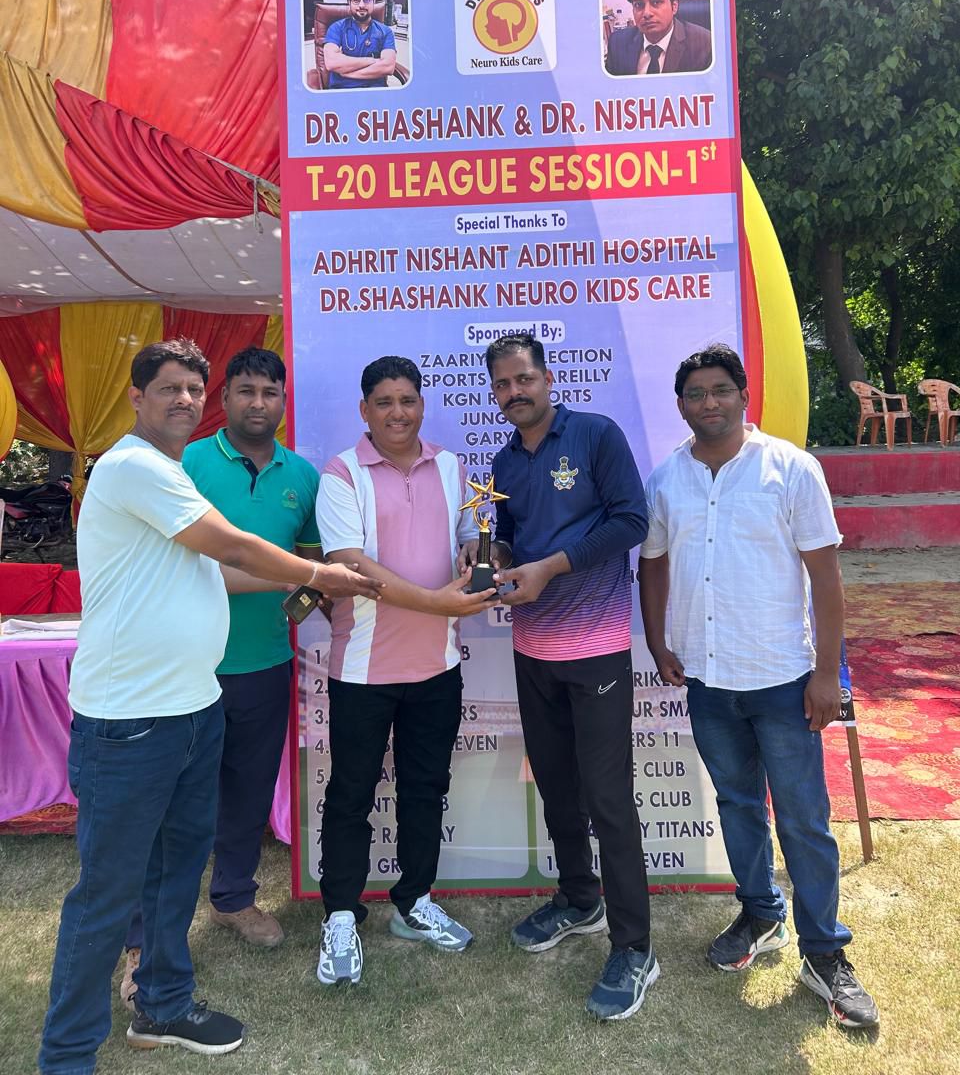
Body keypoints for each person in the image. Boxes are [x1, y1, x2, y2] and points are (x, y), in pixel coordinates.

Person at [38, 339, 382, 1075]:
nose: (185, 401)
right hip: (130, 720)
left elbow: (215, 572)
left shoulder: (169, 472)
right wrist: (321, 574)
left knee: (174, 872)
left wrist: (308, 581)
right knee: (109, 892)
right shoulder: (133, 467)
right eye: (170, 389)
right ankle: (66, 1054)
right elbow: (234, 547)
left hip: (194, 706)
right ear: (136, 397)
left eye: (193, 390)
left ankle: (162, 1005)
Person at [637, 343, 879, 1030]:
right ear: (681, 405)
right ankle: (761, 914)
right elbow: (652, 564)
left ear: (744, 396)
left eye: (720, 390)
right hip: (709, 679)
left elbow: (826, 578)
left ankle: (824, 952)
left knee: (803, 818)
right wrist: (658, 642)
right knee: (738, 804)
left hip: (782, 679)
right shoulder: (667, 478)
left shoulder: (791, 469)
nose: (708, 402)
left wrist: (826, 674)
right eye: (695, 393)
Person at [118, 347, 321, 1010]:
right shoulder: (185, 462)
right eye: (245, 391)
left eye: (270, 392)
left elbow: (311, 565)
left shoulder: (303, 476)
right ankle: (142, 941)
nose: (258, 403)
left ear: (283, 401)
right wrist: (291, 577)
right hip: (184, 667)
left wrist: (304, 596)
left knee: (247, 792)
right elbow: (191, 562)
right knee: (168, 807)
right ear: (224, 398)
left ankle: (234, 898)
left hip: (264, 664)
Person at [473, 333, 656, 1022]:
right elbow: (511, 537)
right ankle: (580, 899)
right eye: (502, 384)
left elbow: (632, 521)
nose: (513, 392)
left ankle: (635, 948)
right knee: (556, 788)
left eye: (523, 379)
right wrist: (492, 555)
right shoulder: (503, 461)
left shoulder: (596, 436)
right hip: (532, 649)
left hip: (598, 648)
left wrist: (553, 567)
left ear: (548, 378)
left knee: (608, 799)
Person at [314, 356, 497, 985]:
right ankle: (341, 912)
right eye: (385, 402)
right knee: (351, 794)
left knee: (425, 790)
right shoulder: (342, 473)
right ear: (365, 410)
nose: (398, 413)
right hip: (363, 670)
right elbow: (350, 565)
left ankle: (414, 901)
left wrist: (474, 551)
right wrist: (437, 603)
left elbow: (469, 535)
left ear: (422, 404)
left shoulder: (451, 466)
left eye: (408, 400)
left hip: (436, 667)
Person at [605, 0, 712, 76]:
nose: (647, 13)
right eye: (639, 4)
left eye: (656, 2)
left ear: (674, 6)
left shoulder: (704, 44)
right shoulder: (617, 43)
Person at [323, 0, 398, 89]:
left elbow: (388, 67)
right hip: (342, 90)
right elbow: (331, 63)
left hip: (375, 91)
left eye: (367, 0)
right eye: (356, 0)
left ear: (373, 2)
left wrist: (348, 73)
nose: (361, 5)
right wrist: (371, 60)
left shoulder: (385, 31)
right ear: (349, 3)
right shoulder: (336, 28)